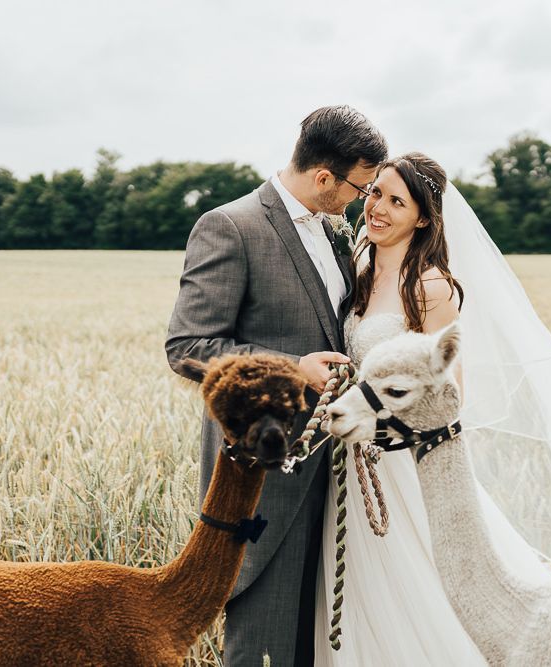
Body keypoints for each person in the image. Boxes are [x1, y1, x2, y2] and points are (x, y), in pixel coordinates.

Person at [314, 152, 551, 665]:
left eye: (396, 201)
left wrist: (385, 430)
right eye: (375, 193)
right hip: (348, 466)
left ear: (424, 217)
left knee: (419, 590)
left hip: (400, 463)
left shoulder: (430, 287)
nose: (377, 209)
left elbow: (451, 394)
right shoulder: (358, 268)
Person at [165, 105, 388, 666]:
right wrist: (294, 368)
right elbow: (189, 347)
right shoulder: (231, 227)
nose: (361, 203)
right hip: (265, 473)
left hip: (333, 466)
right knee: (261, 646)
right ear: (323, 178)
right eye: (359, 189)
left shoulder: (336, 236)